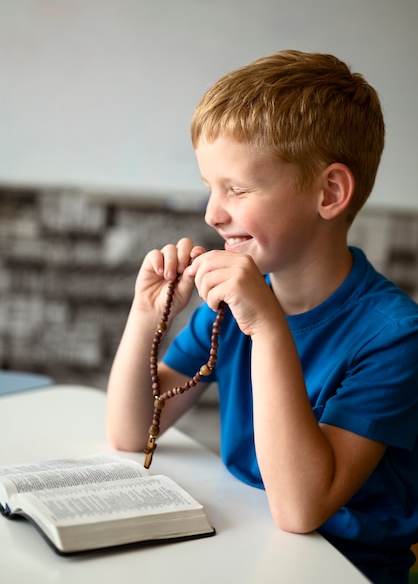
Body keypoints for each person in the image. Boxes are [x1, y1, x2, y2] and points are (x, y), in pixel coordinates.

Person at [106, 50, 418, 583]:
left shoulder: (395, 336)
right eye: (210, 186)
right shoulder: (234, 305)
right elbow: (131, 431)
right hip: (247, 544)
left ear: (330, 192)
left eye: (238, 189)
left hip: (345, 568)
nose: (212, 213)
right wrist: (144, 316)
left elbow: (301, 509)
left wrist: (269, 327)